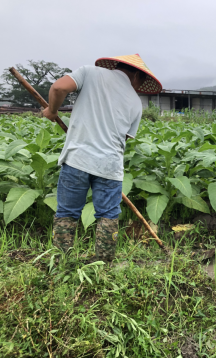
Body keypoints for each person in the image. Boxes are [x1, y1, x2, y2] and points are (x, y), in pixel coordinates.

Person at [41, 54, 162, 262]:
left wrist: (52, 111)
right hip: (110, 166)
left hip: (78, 159)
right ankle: (103, 265)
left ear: (116, 66)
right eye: (141, 81)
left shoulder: (89, 73)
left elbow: (58, 88)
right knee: (108, 215)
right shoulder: (135, 102)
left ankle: (61, 263)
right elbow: (122, 138)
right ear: (137, 76)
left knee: (68, 212)